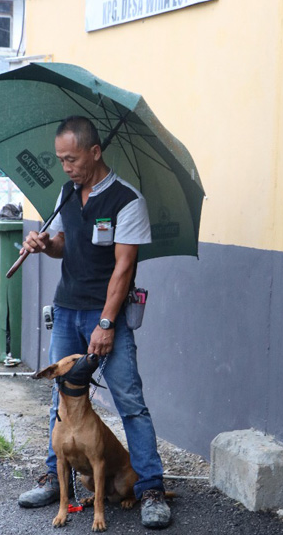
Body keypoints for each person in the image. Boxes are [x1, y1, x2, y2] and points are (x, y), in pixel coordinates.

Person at [18, 116, 171, 528]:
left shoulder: (127, 200)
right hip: (67, 308)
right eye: (61, 159)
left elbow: (123, 268)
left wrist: (106, 322)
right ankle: (55, 476)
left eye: (71, 159)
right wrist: (43, 243)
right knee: (59, 399)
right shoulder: (67, 194)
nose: (66, 167)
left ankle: (151, 489)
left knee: (129, 401)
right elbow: (63, 246)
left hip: (105, 314)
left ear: (95, 152)